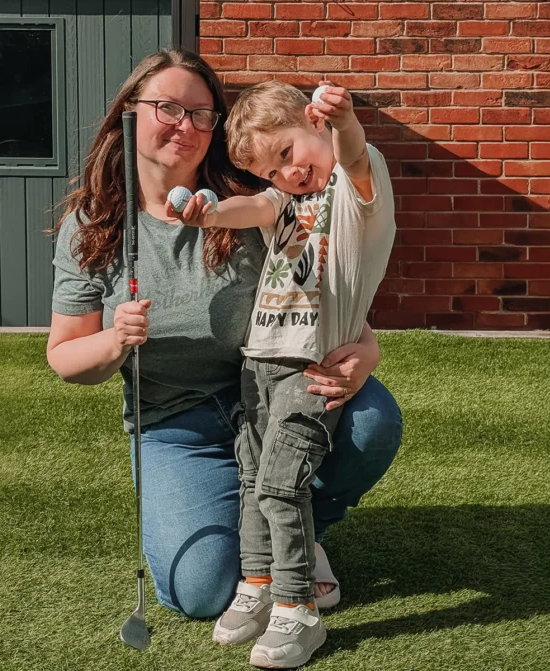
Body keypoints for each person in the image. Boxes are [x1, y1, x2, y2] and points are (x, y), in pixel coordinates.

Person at [46, 47, 402, 624]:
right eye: (168, 108)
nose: (186, 126)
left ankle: (298, 532)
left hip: (267, 391)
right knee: (201, 590)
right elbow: (65, 356)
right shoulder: (94, 224)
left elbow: (317, 279)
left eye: (202, 114)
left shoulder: (256, 194)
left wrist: (367, 347)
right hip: (176, 426)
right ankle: (263, 522)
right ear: (130, 113)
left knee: (372, 420)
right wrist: (115, 341)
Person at [169, 80, 396, 668]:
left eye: (289, 153)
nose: (288, 174)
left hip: (309, 366)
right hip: (261, 359)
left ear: (314, 124)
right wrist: (208, 212)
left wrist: (344, 119)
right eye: (273, 170)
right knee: (252, 478)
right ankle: (259, 584)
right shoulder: (286, 200)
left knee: (281, 485)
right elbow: (252, 207)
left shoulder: (354, 190)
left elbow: (354, 154)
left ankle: (298, 610)